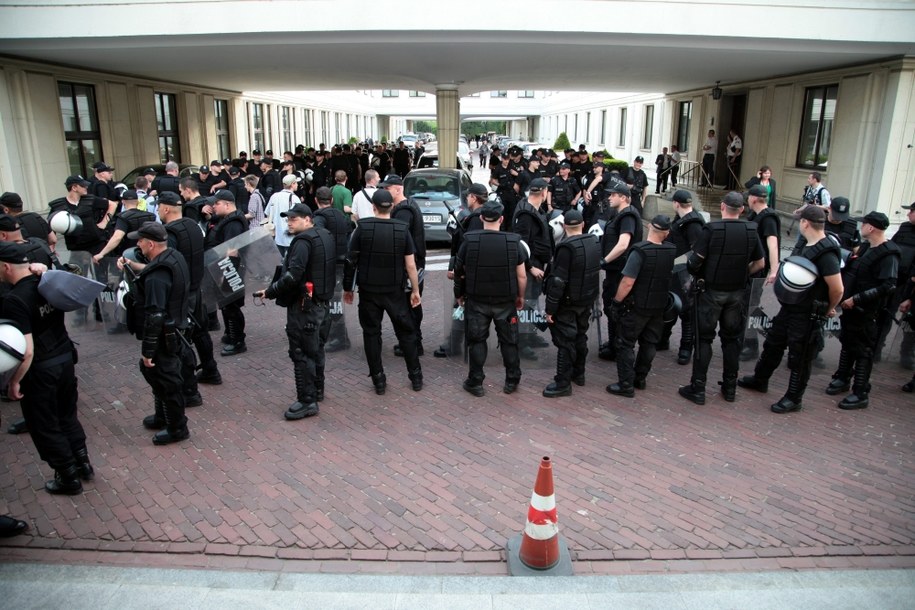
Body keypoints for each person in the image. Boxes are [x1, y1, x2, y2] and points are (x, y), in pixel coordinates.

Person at [0, 241, 90, 493]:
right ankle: (83, 463)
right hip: (64, 359)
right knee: (67, 415)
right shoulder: (47, 282)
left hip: (41, 369)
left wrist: (14, 380)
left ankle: (68, 477)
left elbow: (27, 350)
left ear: (6, 266)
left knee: (45, 424)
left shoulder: (15, 300)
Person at [738, 206, 843, 413]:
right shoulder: (805, 243)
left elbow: (837, 288)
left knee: (800, 356)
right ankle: (760, 379)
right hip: (791, 307)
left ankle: (794, 398)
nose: (798, 224)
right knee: (773, 343)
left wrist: (829, 309)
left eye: (799, 220)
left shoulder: (827, 251)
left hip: (808, 313)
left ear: (805, 223)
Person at [678, 191, 765, 405]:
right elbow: (760, 263)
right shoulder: (751, 229)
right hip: (736, 293)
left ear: (723, 206)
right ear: (742, 209)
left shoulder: (712, 229)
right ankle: (730, 387)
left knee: (704, 339)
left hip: (711, 292)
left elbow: (695, 262)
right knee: (731, 340)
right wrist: (743, 273)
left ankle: (698, 388)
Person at [255, 203, 335, 420]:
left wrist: (270, 292)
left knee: (302, 353)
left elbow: (292, 276)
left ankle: (307, 401)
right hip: (321, 305)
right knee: (316, 349)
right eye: (288, 219)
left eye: (294, 219)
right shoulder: (324, 235)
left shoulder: (302, 242)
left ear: (307, 219)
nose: (289, 222)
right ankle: (317, 390)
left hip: (305, 308)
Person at [343, 189, 423, 395]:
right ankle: (416, 376)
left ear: (373, 207)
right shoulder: (402, 229)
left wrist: (347, 288)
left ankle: (378, 380)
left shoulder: (362, 228)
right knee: (406, 332)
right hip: (394, 290)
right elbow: (411, 265)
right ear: (392, 207)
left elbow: (351, 260)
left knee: (371, 334)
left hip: (369, 290)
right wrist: (415, 289)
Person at [118, 222, 191, 445]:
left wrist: (147, 351)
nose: (137, 244)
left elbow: (155, 315)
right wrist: (132, 265)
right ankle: (163, 417)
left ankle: (177, 428)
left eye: (140, 241)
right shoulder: (173, 257)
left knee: (167, 381)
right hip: (175, 329)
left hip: (164, 336)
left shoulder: (157, 277)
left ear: (150, 244)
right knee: (161, 378)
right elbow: (153, 268)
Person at [826, 212, 900, 410]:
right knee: (848, 341)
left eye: (864, 224)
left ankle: (860, 392)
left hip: (868, 311)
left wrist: (857, 299)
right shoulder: (867, 247)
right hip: (851, 308)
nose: (861, 227)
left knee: (863, 350)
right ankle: (842, 378)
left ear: (871, 228)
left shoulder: (888, 254)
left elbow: (888, 285)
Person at [453, 199, 527, 397]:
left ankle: (476, 381)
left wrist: (458, 294)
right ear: (501, 219)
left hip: (477, 301)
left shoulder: (469, 241)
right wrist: (521, 296)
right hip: (505, 301)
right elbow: (522, 275)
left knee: (477, 340)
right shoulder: (514, 242)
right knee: (509, 341)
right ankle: (512, 380)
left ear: (481, 217)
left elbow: (459, 271)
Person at [607, 215, 677, 397]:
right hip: (658, 306)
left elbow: (627, 282)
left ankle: (626, 384)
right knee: (649, 343)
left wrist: (616, 302)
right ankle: (640, 378)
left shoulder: (640, 251)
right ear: (667, 233)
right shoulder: (670, 250)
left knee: (625, 344)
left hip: (636, 306)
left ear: (649, 227)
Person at [157, 191, 222, 390]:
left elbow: (170, 264)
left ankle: (189, 388)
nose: (158, 211)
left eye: (159, 207)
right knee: (201, 333)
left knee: (182, 339)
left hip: (183, 294)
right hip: (196, 288)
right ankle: (210, 370)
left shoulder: (170, 233)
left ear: (166, 208)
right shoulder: (193, 226)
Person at [542, 210, 601, 397]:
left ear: (565, 226)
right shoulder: (593, 241)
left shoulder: (565, 248)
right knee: (580, 336)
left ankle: (563, 383)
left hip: (568, 303)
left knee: (565, 342)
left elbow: (558, 282)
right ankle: (579, 373)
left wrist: (550, 309)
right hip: (586, 300)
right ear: (583, 224)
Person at [436, 183, 488, 359]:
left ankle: (455, 344)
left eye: (468, 196)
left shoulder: (475, 219)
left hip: (469, 273)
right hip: (479, 273)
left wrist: (458, 271)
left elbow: (468, 248)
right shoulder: (485, 215)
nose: (467, 199)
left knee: (460, 306)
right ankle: (457, 342)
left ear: (474, 197)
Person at [660, 189, 706, 364]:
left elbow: (697, 252)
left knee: (687, 312)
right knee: (669, 306)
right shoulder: (681, 220)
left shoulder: (693, 223)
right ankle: (663, 340)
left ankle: (686, 348)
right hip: (674, 273)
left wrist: (676, 264)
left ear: (676, 204)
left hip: (685, 275)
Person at [598, 182, 643, 361]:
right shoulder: (620, 215)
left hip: (619, 271)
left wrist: (605, 260)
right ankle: (613, 344)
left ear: (623, 197)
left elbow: (623, 244)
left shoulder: (627, 216)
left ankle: (617, 347)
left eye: (613, 195)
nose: (609, 198)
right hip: (615, 270)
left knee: (617, 308)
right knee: (610, 307)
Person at [384, 174, 427, 357]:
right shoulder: (407, 205)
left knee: (409, 304)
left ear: (398, 189)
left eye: (387, 188)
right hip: (414, 264)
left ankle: (413, 344)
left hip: (410, 266)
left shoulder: (403, 211)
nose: (384, 191)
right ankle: (413, 342)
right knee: (411, 305)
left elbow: (398, 238)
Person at [740, 184, 782, 362]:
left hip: (760, 270)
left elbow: (772, 244)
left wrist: (774, 270)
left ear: (754, 199)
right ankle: (752, 338)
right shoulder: (755, 216)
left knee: (751, 306)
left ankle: (754, 344)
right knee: (748, 305)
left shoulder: (768, 218)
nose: (747, 199)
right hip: (753, 266)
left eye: (749, 197)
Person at [205, 190, 249, 356]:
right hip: (225, 268)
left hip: (230, 269)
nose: (213, 206)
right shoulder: (229, 218)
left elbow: (232, 251)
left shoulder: (233, 223)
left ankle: (238, 340)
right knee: (226, 305)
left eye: (216, 203)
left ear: (227, 204)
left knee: (231, 306)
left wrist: (226, 272)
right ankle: (230, 334)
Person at [313, 185, 352, 352]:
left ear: (316, 200)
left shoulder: (319, 218)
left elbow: (319, 239)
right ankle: (336, 335)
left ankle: (338, 337)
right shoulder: (342, 217)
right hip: (342, 263)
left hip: (329, 265)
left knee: (332, 301)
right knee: (335, 300)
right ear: (332, 200)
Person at [876, 201, 915, 367]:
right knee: (886, 314)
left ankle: (906, 353)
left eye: (911, 211)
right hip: (897, 279)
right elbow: (893, 247)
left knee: (911, 320)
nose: (908, 214)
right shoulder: (905, 227)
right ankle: (877, 347)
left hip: (912, 284)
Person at [92, 190, 156, 262]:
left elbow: (117, 237)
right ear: (138, 201)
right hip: (148, 255)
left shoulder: (123, 217)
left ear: (123, 201)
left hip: (128, 257)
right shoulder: (151, 216)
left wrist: (101, 254)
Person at [264, 174, 301, 257]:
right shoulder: (295, 198)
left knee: (279, 262)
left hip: (277, 236)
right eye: (296, 183)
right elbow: (299, 217)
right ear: (292, 184)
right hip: (290, 236)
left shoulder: (274, 196)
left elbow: (267, 213)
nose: (298, 185)